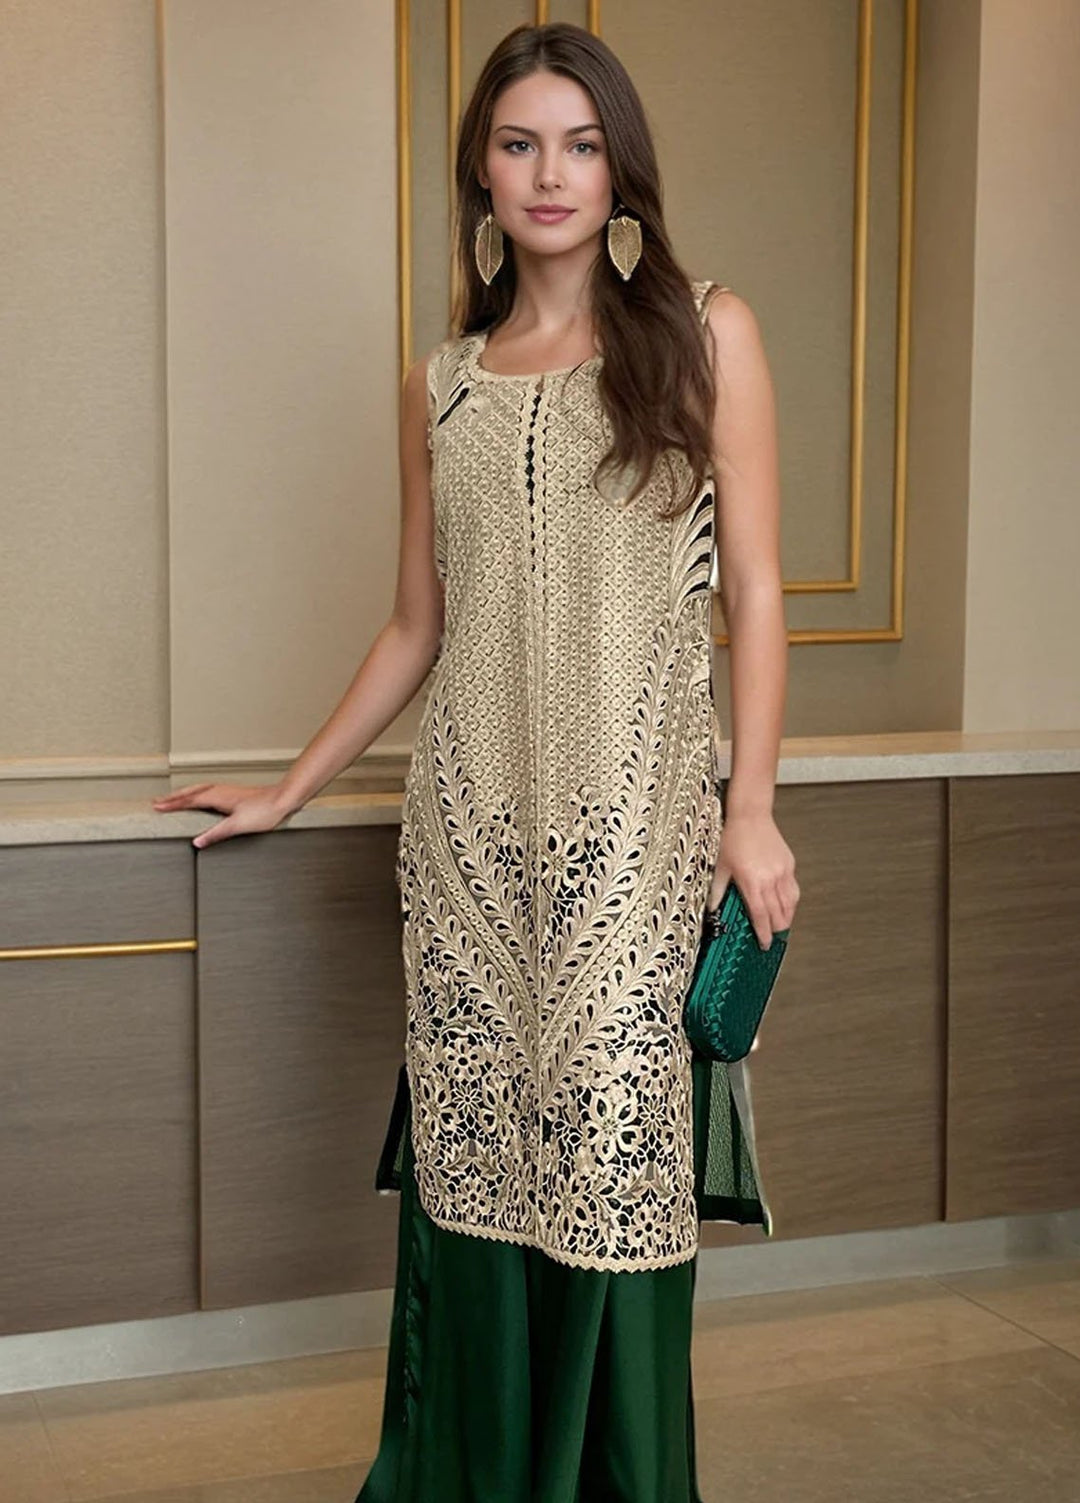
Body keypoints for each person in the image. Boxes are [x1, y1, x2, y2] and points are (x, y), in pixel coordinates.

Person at [152, 20, 799, 1501]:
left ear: (619, 169)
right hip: (465, 853)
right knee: (480, 1178)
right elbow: (414, 626)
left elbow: (758, 590)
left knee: (616, 1184)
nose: (550, 173)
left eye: (580, 144)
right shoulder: (439, 382)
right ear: (483, 176)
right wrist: (288, 789)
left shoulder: (708, 333)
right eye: (520, 144)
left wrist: (752, 808)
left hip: (635, 851)